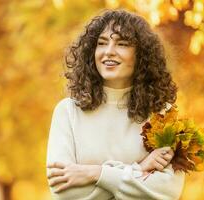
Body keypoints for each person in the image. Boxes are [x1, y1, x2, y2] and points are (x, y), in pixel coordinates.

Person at [46, 9, 184, 200]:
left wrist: (95, 174)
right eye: (101, 43)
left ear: (141, 55)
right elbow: (64, 192)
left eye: (122, 43)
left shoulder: (162, 113)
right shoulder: (67, 112)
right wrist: (140, 168)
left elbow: (166, 192)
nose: (109, 51)